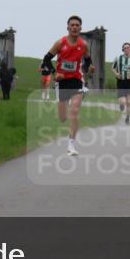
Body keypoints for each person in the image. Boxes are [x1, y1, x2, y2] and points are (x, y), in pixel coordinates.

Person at [42, 15, 95, 156]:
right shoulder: (60, 43)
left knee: (74, 111)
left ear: (80, 28)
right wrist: (54, 73)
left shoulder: (83, 45)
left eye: (77, 25)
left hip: (77, 80)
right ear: (68, 27)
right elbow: (46, 59)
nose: (75, 27)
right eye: (72, 25)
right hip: (62, 81)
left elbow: (88, 60)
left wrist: (90, 68)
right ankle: (63, 114)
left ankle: (71, 144)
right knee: (63, 117)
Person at [112, 42, 130, 124]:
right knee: (123, 101)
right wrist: (117, 74)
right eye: (124, 48)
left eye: (128, 48)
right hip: (121, 82)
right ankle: (121, 105)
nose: (126, 49)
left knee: (129, 102)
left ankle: (127, 118)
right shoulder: (118, 58)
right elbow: (113, 68)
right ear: (123, 49)